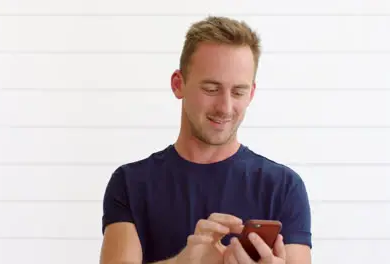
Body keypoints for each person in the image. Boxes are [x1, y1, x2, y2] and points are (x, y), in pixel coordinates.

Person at [99, 16, 312, 264]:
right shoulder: (130, 183)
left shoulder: (283, 187)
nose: (225, 107)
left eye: (238, 92)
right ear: (178, 84)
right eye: (211, 89)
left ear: (251, 93)